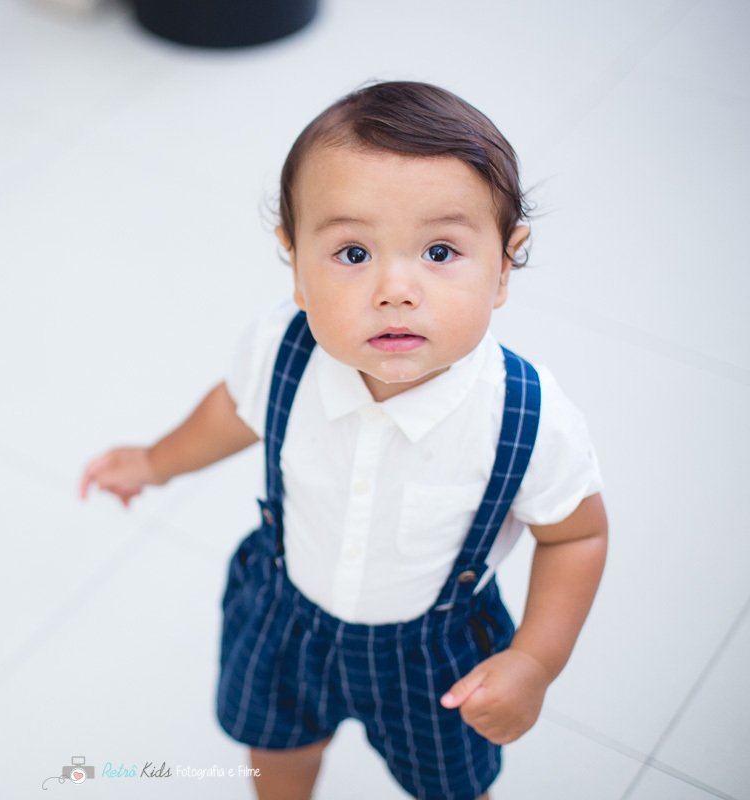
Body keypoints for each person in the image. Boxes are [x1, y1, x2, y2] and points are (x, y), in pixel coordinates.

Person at [78, 80, 608, 800]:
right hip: (286, 616)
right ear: (295, 261)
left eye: (441, 251)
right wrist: (154, 462)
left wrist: (536, 662)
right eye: (353, 253)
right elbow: (233, 411)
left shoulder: (528, 417)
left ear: (504, 266)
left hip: (436, 657)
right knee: (279, 753)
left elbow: (576, 537)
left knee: (453, 788)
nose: (395, 289)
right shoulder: (282, 347)